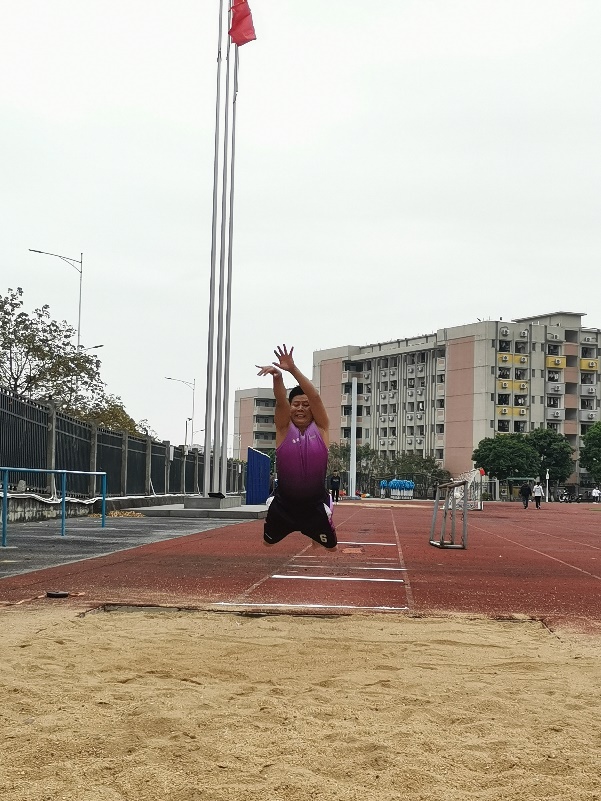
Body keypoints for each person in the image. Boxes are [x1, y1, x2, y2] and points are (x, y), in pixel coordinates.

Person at [256, 344, 337, 549]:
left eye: (306, 405)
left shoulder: (321, 428)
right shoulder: (283, 429)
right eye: (296, 404)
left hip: (315, 505)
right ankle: (302, 527)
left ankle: (315, 529)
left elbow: (315, 396)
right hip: (284, 504)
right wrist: (278, 378)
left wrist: (292, 369)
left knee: (331, 548)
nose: (300, 408)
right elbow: (280, 402)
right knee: (267, 544)